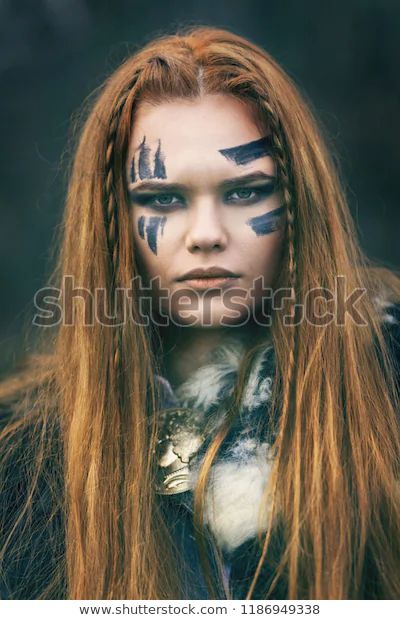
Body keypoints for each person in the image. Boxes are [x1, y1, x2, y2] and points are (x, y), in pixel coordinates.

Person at [0, 25, 399, 601]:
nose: (207, 235)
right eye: (163, 198)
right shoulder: (25, 467)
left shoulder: (385, 394)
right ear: (111, 222)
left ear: (298, 202)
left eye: (245, 192)